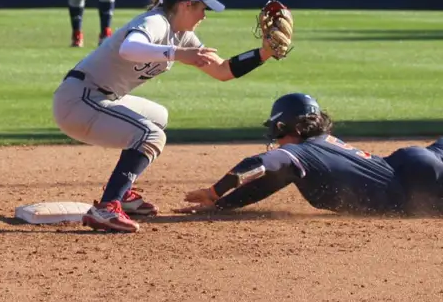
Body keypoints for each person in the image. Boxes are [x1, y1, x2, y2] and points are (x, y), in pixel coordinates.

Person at [52, 0, 286, 233]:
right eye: (202, 8)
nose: (204, 16)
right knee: (151, 136)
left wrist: (264, 53)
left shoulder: (182, 35)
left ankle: (123, 193)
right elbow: (128, 48)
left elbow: (222, 71)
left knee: (158, 117)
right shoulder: (156, 22)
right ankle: (107, 207)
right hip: (79, 99)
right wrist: (177, 54)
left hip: (97, 99)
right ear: (187, 5)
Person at [179, 92, 443, 216]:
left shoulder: (299, 153)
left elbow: (259, 164)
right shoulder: (322, 144)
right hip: (409, 163)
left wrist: (214, 192)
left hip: (413, 185)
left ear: (283, 126)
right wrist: (223, 205)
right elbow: (267, 182)